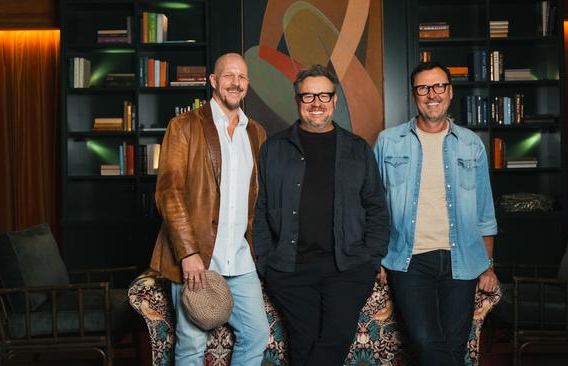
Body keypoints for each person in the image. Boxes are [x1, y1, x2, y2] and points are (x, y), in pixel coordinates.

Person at [252, 64, 390, 366]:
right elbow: (259, 209)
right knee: (304, 341)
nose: (317, 103)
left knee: (337, 336)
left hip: (349, 266)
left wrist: (372, 257)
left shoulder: (357, 149)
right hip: (290, 268)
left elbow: (377, 207)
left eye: (324, 95)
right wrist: (265, 259)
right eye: (308, 96)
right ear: (297, 100)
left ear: (335, 100)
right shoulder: (273, 150)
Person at [374, 61, 498, 366]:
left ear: (450, 91)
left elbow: (485, 211)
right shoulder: (388, 142)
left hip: (463, 260)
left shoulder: (471, 144)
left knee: (453, 346)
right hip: (409, 260)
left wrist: (488, 266)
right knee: (426, 339)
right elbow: (373, 207)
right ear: (414, 95)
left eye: (439, 86)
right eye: (423, 88)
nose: (432, 94)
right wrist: (376, 257)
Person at [149, 53, 269, 366]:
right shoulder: (184, 126)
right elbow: (168, 192)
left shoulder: (255, 132)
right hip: (199, 259)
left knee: (256, 334)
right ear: (213, 81)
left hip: (241, 260)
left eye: (242, 77)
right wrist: (188, 254)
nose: (236, 82)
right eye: (228, 76)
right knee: (191, 346)